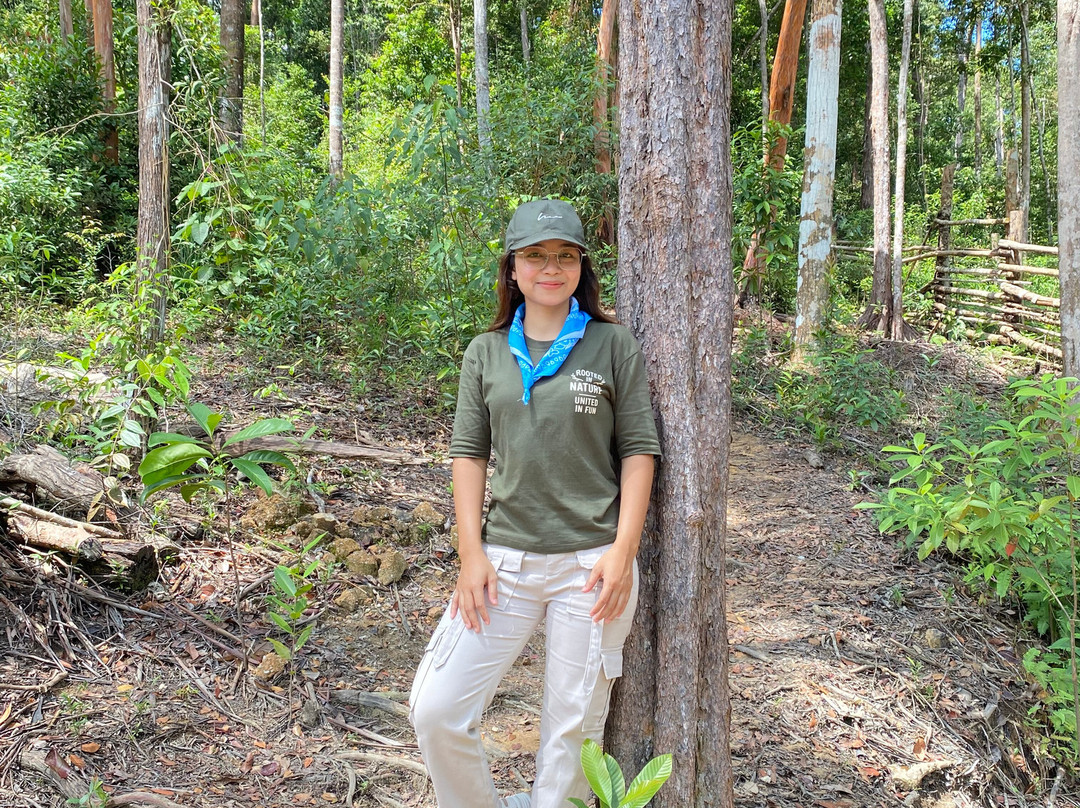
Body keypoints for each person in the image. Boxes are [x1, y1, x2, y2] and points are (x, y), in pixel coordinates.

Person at [409, 199, 660, 808]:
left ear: (581, 267)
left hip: (591, 567)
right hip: (504, 565)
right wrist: (471, 553)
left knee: (571, 738)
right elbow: (468, 456)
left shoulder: (611, 344)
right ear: (513, 269)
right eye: (535, 257)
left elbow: (639, 451)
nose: (551, 267)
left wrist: (624, 551)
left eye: (565, 256)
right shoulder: (486, 352)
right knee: (435, 710)